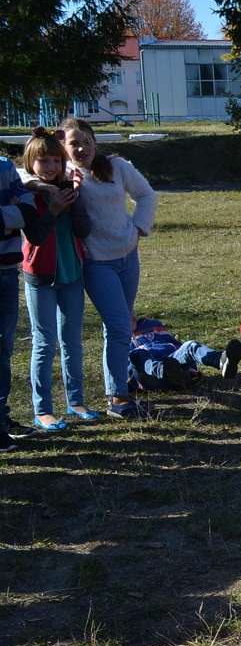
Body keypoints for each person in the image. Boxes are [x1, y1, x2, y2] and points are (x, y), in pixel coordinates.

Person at [59, 117, 157, 420]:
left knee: (119, 326)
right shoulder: (62, 175)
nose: (81, 148)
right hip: (96, 263)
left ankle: (121, 382)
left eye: (86, 141)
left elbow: (146, 194)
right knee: (117, 326)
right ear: (64, 146)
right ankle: (118, 398)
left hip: (128, 257)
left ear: (95, 144)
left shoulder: (116, 166)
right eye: (74, 143)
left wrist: (139, 228)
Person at [18, 128, 93, 433]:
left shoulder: (69, 188)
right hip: (41, 276)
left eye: (54, 161)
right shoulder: (27, 194)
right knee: (44, 343)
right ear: (31, 163)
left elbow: (84, 230)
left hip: (71, 272)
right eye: (43, 161)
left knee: (72, 341)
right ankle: (42, 409)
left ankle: (76, 401)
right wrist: (53, 209)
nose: (50, 167)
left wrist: (73, 202)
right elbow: (34, 235)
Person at [0, 153, 50, 450]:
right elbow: (19, 212)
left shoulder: (5, 167)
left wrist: (12, 215)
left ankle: (1, 418)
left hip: (6, 271)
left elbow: (29, 210)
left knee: (3, 348)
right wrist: (11, 214)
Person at [127, 316, 241, 391]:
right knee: (136, 354)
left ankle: (221, 360)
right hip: (150, 375)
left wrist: (189, 368)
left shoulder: (152, 324)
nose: (129, 315)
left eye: (130, 309)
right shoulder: (116, 340)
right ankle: (163, 369)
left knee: (190, 345)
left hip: (174, 365)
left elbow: (175, 345)